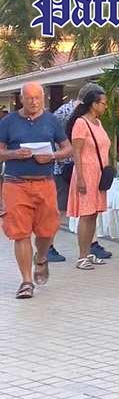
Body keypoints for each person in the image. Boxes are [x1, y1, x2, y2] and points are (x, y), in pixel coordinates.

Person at [0, 82, 72, 299]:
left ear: (43, 99)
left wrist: (52, 156)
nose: (33, 102)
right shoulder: (8, 122)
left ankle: (41, 257)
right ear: (21, 99)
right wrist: (14, 154)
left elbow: (67, 148)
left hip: (45, 183)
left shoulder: (52, 121)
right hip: (15, 184)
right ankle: (26, 281)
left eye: (37, 98)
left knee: (47, 230)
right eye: (29, 98)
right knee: (20, 233)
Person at [51, 82, 113, 262]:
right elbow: (76, 150)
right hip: (80, 171)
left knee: (93, 213)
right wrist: (80, 177)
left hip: (98, 173)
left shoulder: (98, 123)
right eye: (103, 103)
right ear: (93, 103)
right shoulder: (78, 121)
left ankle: (90, 249)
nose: (105, 106)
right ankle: (80, 254)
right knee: (77, 213)